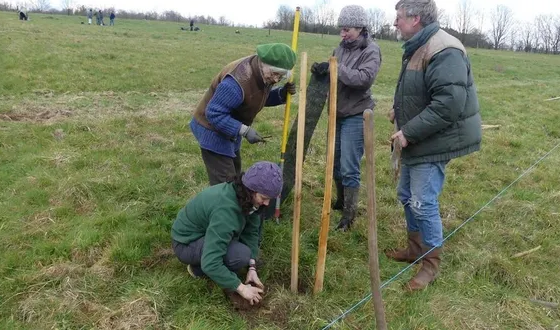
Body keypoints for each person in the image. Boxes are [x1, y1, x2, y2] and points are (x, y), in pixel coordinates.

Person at [386, 0, 481, 291]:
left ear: (415, 18)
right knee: (406, 193)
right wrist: (398, 110)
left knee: (423, 202)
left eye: (399, 17)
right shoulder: (418, 43)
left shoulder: (444, 49)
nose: (395, 23)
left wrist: (408, 131)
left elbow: (448, 105)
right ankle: (415, 249)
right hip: (420, 136)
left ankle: (430, 263)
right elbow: (421, 90)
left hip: (436, 139)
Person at [171, 161, 283, 307]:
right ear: (251, 190)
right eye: (264, 198)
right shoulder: (226, 211)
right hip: (186, 243)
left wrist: (252, 267)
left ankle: (214, 266)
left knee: (246, 255)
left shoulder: (247, 200)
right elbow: (211, 262)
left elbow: (251, 232)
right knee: (239, 255)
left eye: (270, 199)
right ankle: (197, 269)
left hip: (207, 233)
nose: (267, 204)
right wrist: (241, 288)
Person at [310, 5, 382, 231]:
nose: (343, 34)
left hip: (356, 114)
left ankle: (348, 216)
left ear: (360, 27)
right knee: (335, 163)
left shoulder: (371, 50)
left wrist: (336, 68)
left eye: (347, 29)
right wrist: (324, 69)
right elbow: (335, 70)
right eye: (341, 29)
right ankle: (341, 201)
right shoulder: (339, 49)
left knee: (349, 167)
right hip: (337, 113)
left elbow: (364, 79)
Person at [190, 43, 297, 186]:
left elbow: (254, 97)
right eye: (274, 74)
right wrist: (244, 131)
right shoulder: (236, 83)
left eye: (281, 76)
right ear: (262, 63)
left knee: (235, 177)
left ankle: (236, 204)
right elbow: (214, 114)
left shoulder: (263, 73)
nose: (276, 80)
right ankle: (219, 207)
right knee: (224, 186)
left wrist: (280, 94)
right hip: (212, 131)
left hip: (229, 129)